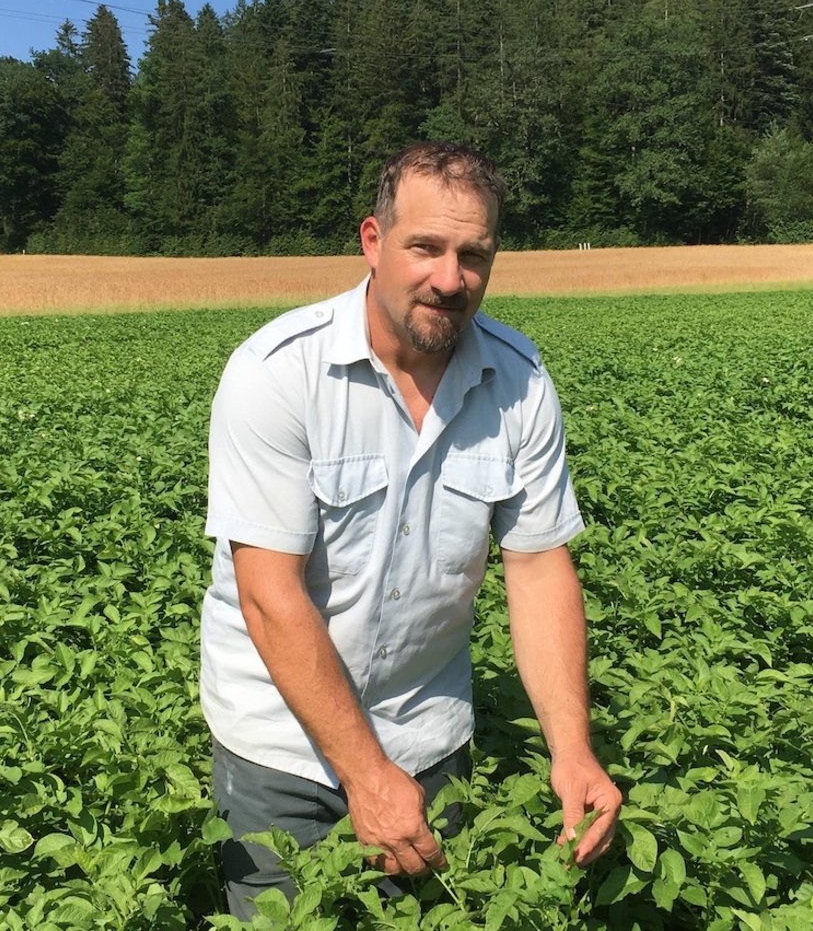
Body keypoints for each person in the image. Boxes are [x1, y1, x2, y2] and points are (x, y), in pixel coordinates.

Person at [200, 141, 621, 919]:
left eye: (474, 255)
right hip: (281, 751)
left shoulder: (520, 384)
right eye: (426, 247)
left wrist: (572, 750)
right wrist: (366, 776)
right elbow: (268, 596)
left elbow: (537, 570)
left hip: (428, 737)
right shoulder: (278, 374)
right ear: (373, 240)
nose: (450, 280)